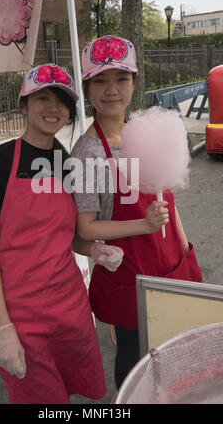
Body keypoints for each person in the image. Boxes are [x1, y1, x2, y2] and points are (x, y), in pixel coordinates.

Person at [0, 63, 124, 404]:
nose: (54, 108)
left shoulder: (67, 162)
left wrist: (94, 250)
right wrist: (3, 328)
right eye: (43, 98)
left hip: (69, 306)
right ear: (23, 104)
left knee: (73, 387)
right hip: (20, 313)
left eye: (62, 102)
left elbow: (69, 237)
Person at [71, 36, 203, 390]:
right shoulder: (88, 152)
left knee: (174, 346)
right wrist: (143, 224)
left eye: (121, 79)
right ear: (87, 87)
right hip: (130, 274)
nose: (112, 90)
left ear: (134, 81)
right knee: (135, 357)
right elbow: (85, 228)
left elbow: (167, 201)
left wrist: (186, 250)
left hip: (172, 261)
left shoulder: (141, 132)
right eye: (100, 80)